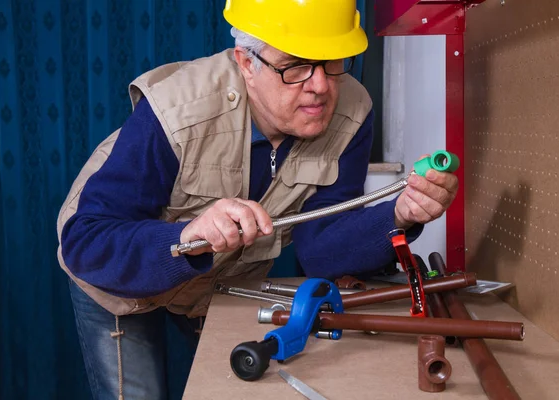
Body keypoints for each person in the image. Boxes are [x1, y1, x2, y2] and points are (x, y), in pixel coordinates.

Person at [56, 0, 458, 399]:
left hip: (223, 277)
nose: (320, 86)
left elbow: (321, 248)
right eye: (295, 65)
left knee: (236, 386)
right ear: (247, 62)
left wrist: (399, 214)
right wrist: (189, 235)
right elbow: (87, 243)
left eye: (333, 60)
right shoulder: (176, 110)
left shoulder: (351, 111)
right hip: (118, 270)